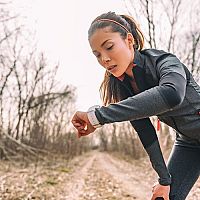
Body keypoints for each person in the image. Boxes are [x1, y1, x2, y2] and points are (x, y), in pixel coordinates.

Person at [71, 11, 200, 200]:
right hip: (188, 143)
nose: (104, 59)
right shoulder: (124, 86)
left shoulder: (164, 62)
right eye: (97, 54)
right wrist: (164, 180)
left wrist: (97, 117)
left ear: (129, 40)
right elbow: (146, 132)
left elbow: (172, 95)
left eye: (109, 47)